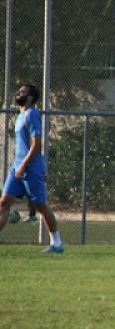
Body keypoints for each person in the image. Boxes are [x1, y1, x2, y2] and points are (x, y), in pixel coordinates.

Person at [0, 84, 63, 253]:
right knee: (4, 202)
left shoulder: (32, 115)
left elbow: (37, 145)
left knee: (40, 205)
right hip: (17, 166)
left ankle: (57, 243)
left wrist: (24, 166)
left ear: (30, 98)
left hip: (30, 167)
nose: (18, 93)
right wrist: (18, 166)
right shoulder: (20, 116)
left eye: (22, 92)